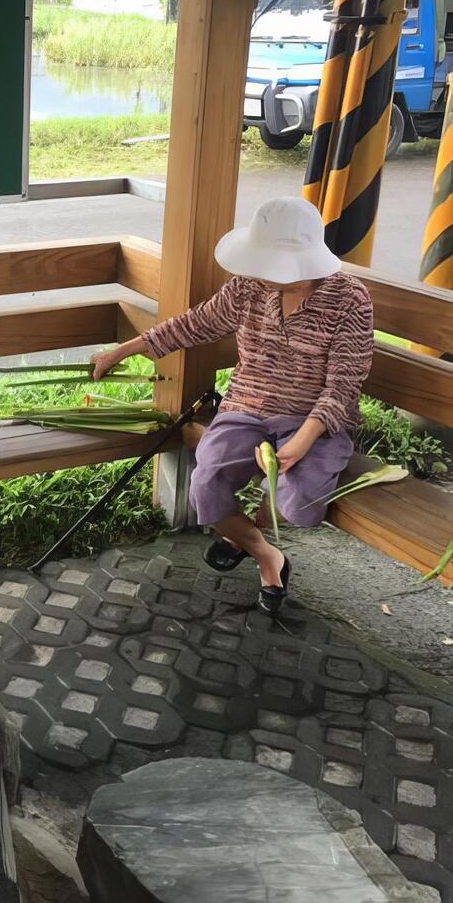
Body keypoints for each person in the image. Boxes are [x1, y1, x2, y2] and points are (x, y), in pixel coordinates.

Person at [92, 197, 373, 615]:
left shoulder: (349, 299)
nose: (266, 275)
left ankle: (238, 535)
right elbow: (196, 323)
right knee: (205, 488)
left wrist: (303, 439)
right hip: (248, 404)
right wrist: (124, 350)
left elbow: (343, 385)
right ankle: (266, 557)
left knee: (298, 502)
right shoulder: (249, 285)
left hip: (314, 418)